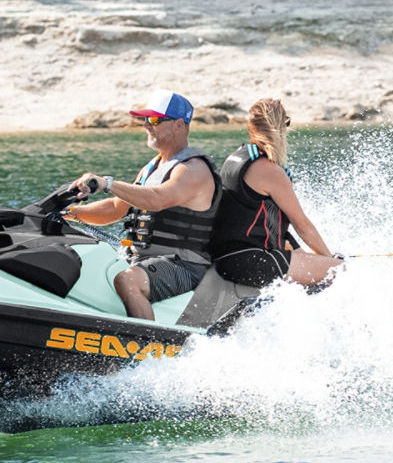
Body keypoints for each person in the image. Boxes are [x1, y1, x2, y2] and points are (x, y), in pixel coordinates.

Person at [66, 89, 220, 319]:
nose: (147, 125)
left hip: (184, 265)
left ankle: (148, 349)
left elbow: (158, 200)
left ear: (179, 124)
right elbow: (115, 209)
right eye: (144, 119)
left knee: (128, 280)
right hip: (144, 258)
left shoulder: (193, 170)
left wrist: (106, 182)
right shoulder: (153, 167)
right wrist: (69, 212)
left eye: (155, 119)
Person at [208, 98, 343, 290]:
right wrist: (330, 259)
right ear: (281, 127)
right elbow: (302, 225)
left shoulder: (236, 158)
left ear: (251, 127)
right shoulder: (270, 171)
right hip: (250, 261)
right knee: (342, 272)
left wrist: (308, 256)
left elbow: (262, 221)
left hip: (227, 257)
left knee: (306, 260)